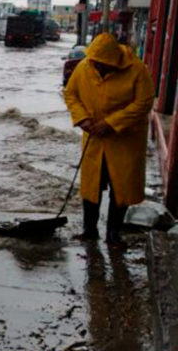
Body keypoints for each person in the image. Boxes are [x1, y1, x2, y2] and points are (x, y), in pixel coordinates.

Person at [64, 32, 155, 245]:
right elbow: (70, 93)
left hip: (125, 140)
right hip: (95, 138)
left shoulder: (137, 70)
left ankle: (113, 234)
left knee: (120, 187)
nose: (97, 68)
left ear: (114, 62)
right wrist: (83, 119)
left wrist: (111, 124)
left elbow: (144, 102)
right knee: (91, 186)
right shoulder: (85, 66)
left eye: (102, 65)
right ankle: (89, 230)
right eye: (94, 63)